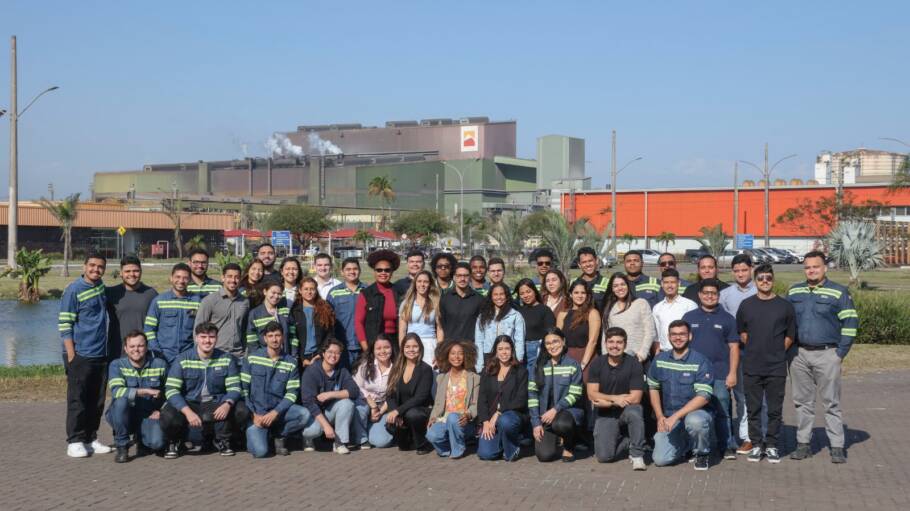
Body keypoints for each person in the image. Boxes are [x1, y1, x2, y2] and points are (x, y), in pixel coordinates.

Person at [787, 251, 858, 464]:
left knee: (831, 403)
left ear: (825, 268)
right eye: (808, 267)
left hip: (828, 354)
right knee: (802, 402)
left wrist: (840, 353)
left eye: (816, 267)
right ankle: (803, 444)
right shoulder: (794, 291)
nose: (811, 271)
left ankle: (837, 446)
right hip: (798, 355)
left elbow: (850, 323)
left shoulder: (839, 292)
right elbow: (784, 320)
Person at [736, 264, 796, 464]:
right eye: (760, 278)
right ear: (755, 281)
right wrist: (756, 348)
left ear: (773, 280)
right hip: (752, 365)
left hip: (776, 367)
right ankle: (756, 444)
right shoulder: (746, 305)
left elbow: (790, 335)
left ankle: (771, 445)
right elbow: (742, 333)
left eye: (768, 278)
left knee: (774, 409)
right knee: (753, 408)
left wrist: (776, 350)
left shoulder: (785, 306)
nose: (764, 281)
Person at [161, 322, 248, 458]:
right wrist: (187, 412)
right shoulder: (182, 359)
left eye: (211, 337)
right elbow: (171, 390)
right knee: (168, 414)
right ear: (196, 338)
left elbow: (235, 387)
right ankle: (174, 441)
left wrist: (227, 403)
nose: (207, 341)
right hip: (190, 402)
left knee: (241, 410)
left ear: (216, 338)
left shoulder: (226, 359)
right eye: (203, 337)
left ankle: (223, 440)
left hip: (216, 402)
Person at [60, 252, 113, 458]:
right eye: (92, 265)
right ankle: (74, 441)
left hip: (101, 354)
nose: (95, 269)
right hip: (81, 354)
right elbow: (65, 324)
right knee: (78, 400)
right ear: (84, 266)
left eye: (100, 267)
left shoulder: (100, 287)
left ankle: (90, 438)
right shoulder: (73, 290)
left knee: (96, 400)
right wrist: (72, 355)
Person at [682, 279, 739, 460]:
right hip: (694, 375)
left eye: (713, 293)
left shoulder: (728, 319)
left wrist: (732, 373)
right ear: (699, 295)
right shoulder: (689, 317)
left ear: (718, 296)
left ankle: (726, 445)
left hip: (720, 374)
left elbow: (734, 347)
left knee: (723, 411)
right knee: (691, 411)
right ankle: (692, 447)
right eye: (706, 293)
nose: (709, 296)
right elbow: (682, 345)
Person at [647, 320, 714, 471]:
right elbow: (653, 387)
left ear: (690, 336)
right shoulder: (660, 360)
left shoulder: (701, 361)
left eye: (682, 334)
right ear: (669, 337)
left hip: (696, 413)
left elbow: (703, 396)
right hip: (670, 417)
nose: (678, 338)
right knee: (660, 459)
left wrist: (675, 416)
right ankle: (686, 443)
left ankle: (702, 453)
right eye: (674, 334)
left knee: (695, 422)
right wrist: (660, 416)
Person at [241, 322, 307, 458]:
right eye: (270, 336)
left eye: (277, 335)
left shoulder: (291, 362)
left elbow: (292, 394)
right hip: (257, 414)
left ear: (283, 337)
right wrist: (253, 415)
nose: (274, 339)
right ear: (265, 338)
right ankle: (254, 432)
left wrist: (276, 412)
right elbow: (244, 390)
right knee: (260, 452)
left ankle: (279, 435)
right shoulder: (252, 358)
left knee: (304, 415)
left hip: (278, 412)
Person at [587, 327, 646, 470]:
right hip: (606, 412)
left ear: (625, 344)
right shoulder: (597, 363)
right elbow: (592, 394)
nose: (615, 346)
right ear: (605, 344)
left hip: (627, 409)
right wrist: (614, 399)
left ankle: (637, 454)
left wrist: (608, 402)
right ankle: (629, 440)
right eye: (611, 342)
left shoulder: (634, 364)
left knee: (635, 412)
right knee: (604, 457)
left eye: (619, 342)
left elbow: (636, 397)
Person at [105, 331, 167, 463]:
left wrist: (161, 410)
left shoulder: (160, 364)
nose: (136, 350)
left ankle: (141, 438)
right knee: (121, 401)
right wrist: (144, 391)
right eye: (132, 346)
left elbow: (170, 392)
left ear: (146, 347)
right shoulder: (117, 365)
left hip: (148, 414)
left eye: (140, 346)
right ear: (125, 349)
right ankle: (122, 445)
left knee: (157, 443)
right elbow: (117, 391)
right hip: (123, 413)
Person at [720, 253, 760, 454]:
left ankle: (761, 434)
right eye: (737, 271)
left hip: (759, 351)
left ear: (751, 269)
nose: (741, 274)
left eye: (744, 270)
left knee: (759, 395)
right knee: (741, 395)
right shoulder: (725, 295)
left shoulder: (760, 289)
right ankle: (747, 437)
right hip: (736, 350)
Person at [529, 328, 584, 462]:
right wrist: (536, 423)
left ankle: (569, 445)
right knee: (544, 456)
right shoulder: (537, 365)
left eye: (555, 341)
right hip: (545, 417)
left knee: (562, 424)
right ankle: (556, 439)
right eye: (548, 343)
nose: (552, 346)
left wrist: (555, 409)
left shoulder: (573, 365)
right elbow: (532, 396)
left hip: (567, 413)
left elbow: (575, 394)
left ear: (563, 341)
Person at [300, 338, 361, 454]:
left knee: (347, 403)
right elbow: (309, 402)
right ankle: (307, 438)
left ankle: (340, 443)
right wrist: (326, 426)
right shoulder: (311, 371)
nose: (333, 355)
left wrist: (330, 394)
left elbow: (354, 391)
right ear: (323, 353)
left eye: (337, 353)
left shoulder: (342, 370)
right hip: (314, 414)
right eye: (330, 352)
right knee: (315, 430)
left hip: (329, 412)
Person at [477, 335, 528, 461]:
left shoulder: (521, 371)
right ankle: (501, 443)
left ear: (512, 350)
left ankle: (512, 449)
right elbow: (482, 399)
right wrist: (485, 421)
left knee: (505, 421)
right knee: (486, 454)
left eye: (507, 348)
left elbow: (521, 400)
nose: (504, 352)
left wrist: (499, 412)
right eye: (500, 349)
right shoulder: (487, 371)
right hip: (491, 419)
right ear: (495, 351)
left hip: (512, 415)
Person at [425, 340, 480, 459]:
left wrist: (469, 415)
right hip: (444, 419)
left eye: (460, 353)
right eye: (453, 353)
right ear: (447, 356)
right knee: (431, 434)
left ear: (466, 356)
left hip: (463, 421)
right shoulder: (441, 378)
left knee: (453, 418)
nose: (457, 357)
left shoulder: (474, 378)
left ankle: (458, 449)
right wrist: (432, 417)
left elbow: (476, 403)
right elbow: (438, 403)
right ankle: (447, 449)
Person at [384, 333, 435, 452]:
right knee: (403, 447)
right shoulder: (396, 367)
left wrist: (398, 411)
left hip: (420, 410)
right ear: (402, 349)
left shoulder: (426, 369)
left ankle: (423, 444)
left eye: (415, 346)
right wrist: (394, 412)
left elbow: (420, 397)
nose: (411, 350)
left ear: (420, 348)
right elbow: (389, 395)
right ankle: (409, 436)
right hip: (401, 413)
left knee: (413, 414)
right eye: (407, 346)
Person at [145, 263, 201, 364]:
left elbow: (200, 330)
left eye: (185, 278)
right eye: (177, 277)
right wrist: (157, 352)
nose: (181, 281)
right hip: (164, 356)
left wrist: (195, 352)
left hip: (188, 356)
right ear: (171, 278)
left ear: (190, 280)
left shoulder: (197, 302)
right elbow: (149, 329)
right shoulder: (159, 301)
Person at [106, 255, 158, 361]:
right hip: (117, 351)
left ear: (141, 272)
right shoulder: (110, 293)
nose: (132, 274)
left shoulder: (151, 294)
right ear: (121, 273)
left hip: (142, 352)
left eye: (136, 271)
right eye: (127, 271)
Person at [195, 263, 249, 358]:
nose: (233, 280)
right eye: (229, 276)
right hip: (216, 353)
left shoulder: (244, 302)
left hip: (238, 354)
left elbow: (244, 329)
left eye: (236, 277)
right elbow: (198, 329)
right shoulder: (210, 300)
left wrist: (246, 352)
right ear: (223, 278)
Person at [352, 334, 395, 449]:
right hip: (365, 402)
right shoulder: (365, 365)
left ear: (392, 348)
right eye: (378, 348)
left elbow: (394, 394)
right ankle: (361, 439)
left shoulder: (397, 368)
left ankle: (369, 430)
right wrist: (372, 405)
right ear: (373, 350)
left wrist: (380, 412)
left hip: (384, 407)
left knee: (381, 442)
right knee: (361, 409)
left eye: (386, 347)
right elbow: (356, 385)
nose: (383, 351)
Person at [601, 272, 655, 363]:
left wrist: (642, 354)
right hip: (616, 359)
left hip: (637, 358)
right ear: (612, 289)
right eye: (615, 286)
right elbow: (605, 335)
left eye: (623, 284)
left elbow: (650, 331)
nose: (620, 288)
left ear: (628, 286)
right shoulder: (610, 308)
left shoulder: (641, 303)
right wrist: (606, 357)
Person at [475, 282, 526, 372]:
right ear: (491, 297)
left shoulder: (515, 315)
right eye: (495, 294)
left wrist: (517, 360)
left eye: (502, 294)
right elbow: (479, 341)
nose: (499, 297)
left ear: (507, 296)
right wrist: (479, 364)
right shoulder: (483, 316)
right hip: (489, 356)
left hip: (508, 356)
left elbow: (520, 340)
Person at [356, 250, 402, 350]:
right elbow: (358, 323)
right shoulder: (366, 294)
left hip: (395, 342)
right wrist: (366, 349)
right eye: (379, 270)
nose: (383, 273)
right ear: (374, 271)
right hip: (373, 342)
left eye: (387, 270)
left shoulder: (399, 293)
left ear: (392, 272)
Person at [327, 257, 366, 370]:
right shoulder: (334, 292)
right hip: (342, 345)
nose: (352, 272)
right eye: (348, 269)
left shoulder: (367, 290)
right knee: (344, 376)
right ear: (342, 272)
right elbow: (328, 321)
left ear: (360, 270)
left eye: (355, 269)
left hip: (363, 345)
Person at [398, 270, 444, 366]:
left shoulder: (435, 302)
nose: (422, 284)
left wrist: (439, 350)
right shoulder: (406, 303)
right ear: (415, 283)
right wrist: (403, 349)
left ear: (430, 284)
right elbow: (402, 330)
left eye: (425, 282)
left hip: (430, 344)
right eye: (419, 281)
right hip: (411, 344)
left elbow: (440, 329)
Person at [556, 280, 600, 376]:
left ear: (587, 295)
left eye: (583, 293)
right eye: (576, 292)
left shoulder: (592, 313)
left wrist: (582, 365)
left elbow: (593, 341)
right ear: (570, 294)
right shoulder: (562, 315)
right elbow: (558, 340)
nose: (580, 296)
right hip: (566, 357)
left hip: (586, 357)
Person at [514, 278, 556, 375]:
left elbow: (550, 333)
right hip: (519, 350)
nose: (525, 295)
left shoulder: (545, 310)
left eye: (528, 291)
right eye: (522, 293)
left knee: (533, 379)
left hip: (537, 350)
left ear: (534, 291)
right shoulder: (519, 312)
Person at [292, 277, 335, 368]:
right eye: (306, 289)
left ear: (316, 291)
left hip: (320, 355)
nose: (309, 292)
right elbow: (294, 336)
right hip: (301, 358)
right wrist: (303, 358)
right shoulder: (294, 311)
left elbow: (330, 334)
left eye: (312, 289)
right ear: (300, 291)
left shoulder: (325, 308)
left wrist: (320, 353)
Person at [651, 269, 697, 353]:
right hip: (664, 353)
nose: (669, 285)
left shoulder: (690, 305)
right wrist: (657, 353)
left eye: (673, 282)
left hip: (685, 353)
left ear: (678, 283)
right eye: (666, 282)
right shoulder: (657, 308)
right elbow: (656, 335)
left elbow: (695, 333)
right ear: (662, 284)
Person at [439, 262, 484, 343]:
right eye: (459, 275)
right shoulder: (445, 299)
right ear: (454, 277)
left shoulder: (479, 300)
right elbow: (440, 327)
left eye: (466, 276)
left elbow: (482, 326)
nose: (462, 279)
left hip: (470, 346)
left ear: (470, 277)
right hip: (450, 346)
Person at [246, 281, 294, 355]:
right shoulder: (255, 313)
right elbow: (251, 339)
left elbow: (293, 336)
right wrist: (257, 357)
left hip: (285, 357)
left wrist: (294, 355)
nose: (276, 296)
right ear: (265, 292)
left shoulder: (285, 311)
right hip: (263, 357)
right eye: (273, 293)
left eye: (279, 294)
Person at [576, 246, 609, 311]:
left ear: (596, 261)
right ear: (579, 265)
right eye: (584, 262)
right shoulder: (573, 282)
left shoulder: (608, 282)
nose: (588, 264)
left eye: (590, 261)